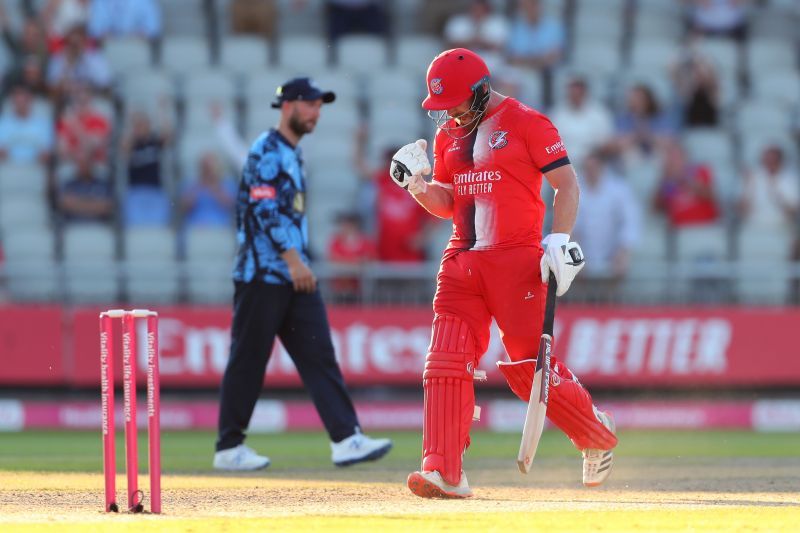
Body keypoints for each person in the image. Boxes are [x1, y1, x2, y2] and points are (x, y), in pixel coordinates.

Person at [392, 48, 617, 499]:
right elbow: (449, 204)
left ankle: (594, 434)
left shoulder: (528, 123)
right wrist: (417, 186)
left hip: (517, 263)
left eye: (456, 102)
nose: (449, 113)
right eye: (442, 106)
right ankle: (443, 471)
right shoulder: (448, 137)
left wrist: (560, 239)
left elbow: (567, 185)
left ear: (479, 90)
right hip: (461, 261)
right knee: (445, 361)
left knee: (528, 371)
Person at [214, 77, 393, 471]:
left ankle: (347, 439)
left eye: (319, 106)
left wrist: (298, 264)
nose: (316, 112)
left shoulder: (294, 154)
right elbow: (262, 210)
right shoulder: (266, 149)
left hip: (295, 276)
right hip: (263, 274)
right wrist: (294, 260)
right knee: (249, 358)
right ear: (288, 106)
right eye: (310, 104)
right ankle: (229, 448)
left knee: (319, 356)